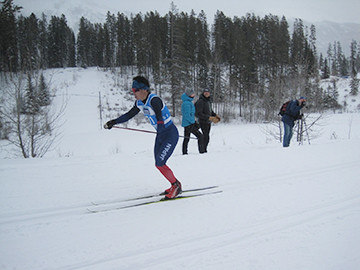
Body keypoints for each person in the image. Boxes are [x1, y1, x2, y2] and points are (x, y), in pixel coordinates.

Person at [104, 76, 181, 199]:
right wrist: (114, 122)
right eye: (133, 90)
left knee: (160, 163)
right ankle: (175, 184)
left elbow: (159, 118)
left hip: (170, 134)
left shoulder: (154, 100)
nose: (133, 93)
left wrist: (161, 129)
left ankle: (176, 186)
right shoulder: (139, 103)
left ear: (144, 90)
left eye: (135, 90)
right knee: (158, 164)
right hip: (160, 135)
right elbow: (129, 114)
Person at [195, 88, 221, 153]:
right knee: (204, 137)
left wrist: (215, 115)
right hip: (202, 122)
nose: (206, 93)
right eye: (205, 92)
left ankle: (204, 150)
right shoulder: (200, 101)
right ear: (203, 93)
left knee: (207, 137)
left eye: (208, 92)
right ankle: (202, 151)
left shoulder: (208, 101)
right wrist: (209, 118)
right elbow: (198, 113)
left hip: (207, 122)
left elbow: (210, 111)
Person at [181, 87, 205, 155]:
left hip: (188, 123)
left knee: (186, 138)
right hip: (188, 123)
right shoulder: (187, 103)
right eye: (192, 93)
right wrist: (193, 122)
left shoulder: (188, 102)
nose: (194, 95)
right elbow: (187, 115)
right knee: (200, 136)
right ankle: (202, 151)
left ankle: (184, 152)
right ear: (189, 94)